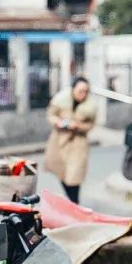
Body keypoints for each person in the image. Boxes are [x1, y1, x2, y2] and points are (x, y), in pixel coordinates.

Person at [45, 76, 97, 204]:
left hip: (78, 143)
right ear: (73, 89)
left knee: (74, 176)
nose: (83, 94)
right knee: (62, 173)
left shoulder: (90, 106)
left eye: (86, 91)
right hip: (60, 140)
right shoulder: (60, 100)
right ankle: (72, 202)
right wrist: (59, 122)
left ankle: (75, 203)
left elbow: (91, 125)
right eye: (80, 91)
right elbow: (51, 115)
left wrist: (79, 126)